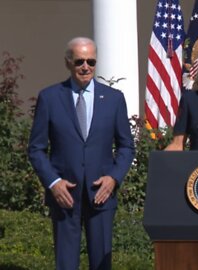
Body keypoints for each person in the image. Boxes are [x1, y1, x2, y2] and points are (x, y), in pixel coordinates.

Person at [28, 37, 135, 270]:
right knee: (66, 264)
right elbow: (36, 149)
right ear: (68, 62)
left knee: (101, 263)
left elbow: (127, 146)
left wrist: (114, 178)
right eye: (79, 61)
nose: (85, 67)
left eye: (91, 61)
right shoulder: (50, 97)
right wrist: (53, 183)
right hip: (64, 194)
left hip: (101, 193)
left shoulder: (114, 99)